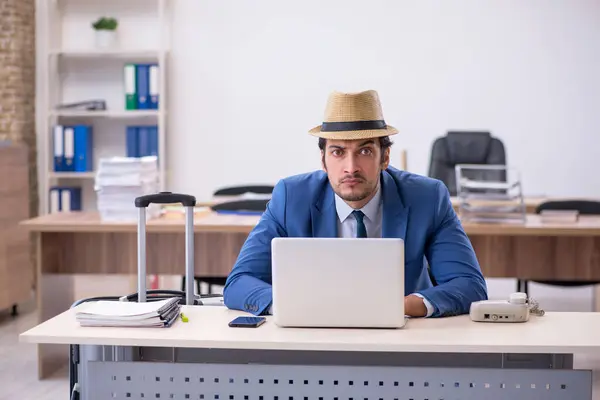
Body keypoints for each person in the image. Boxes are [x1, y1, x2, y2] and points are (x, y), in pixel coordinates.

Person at [223, 89, 488, 317]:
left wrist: (399, 306)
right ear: (323, 160)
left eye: (364, 151)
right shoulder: (291, 197)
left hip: (402, 338)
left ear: (385, 158)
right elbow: (239, 283)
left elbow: (469, 285)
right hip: (312, 339)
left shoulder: (428, 197)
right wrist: (296, 306)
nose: (351, 168)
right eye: (338, 152)